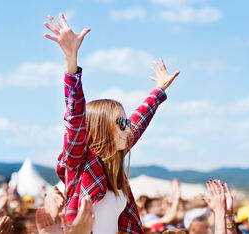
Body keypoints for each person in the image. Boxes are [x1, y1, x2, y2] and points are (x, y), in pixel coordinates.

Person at [43, 13, 180, 234]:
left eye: (126, 121)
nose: (129, 127)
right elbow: (75, 118)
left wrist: (159, 91)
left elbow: (139, 121)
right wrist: (71, 63)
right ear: (101, 128)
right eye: (122, 122)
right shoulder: (79, 161)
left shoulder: (114, 167)